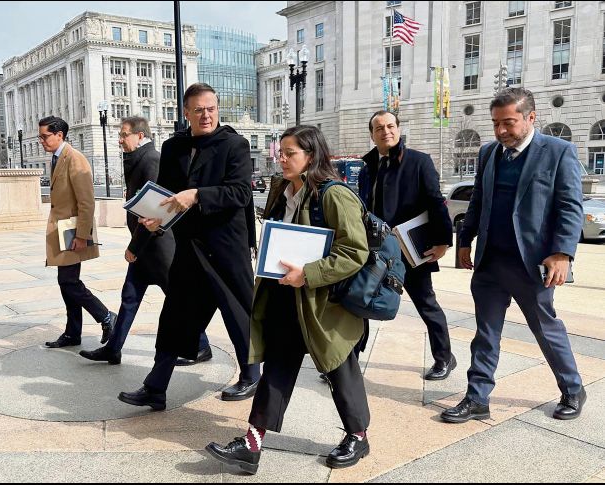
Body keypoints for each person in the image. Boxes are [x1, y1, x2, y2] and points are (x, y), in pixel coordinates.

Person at [206, 125, 372, 474]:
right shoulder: (281, 189)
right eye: (280, 152)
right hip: (285, 295)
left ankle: (358, 435)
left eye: (289, 153)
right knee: (278, 368)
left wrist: (308, 274)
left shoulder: (334, 195)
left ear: (310, 156)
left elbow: (354, 251)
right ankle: (252, 444)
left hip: (323, 304)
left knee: (339, 366)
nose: (280, 158)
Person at [442, 88, 586, 423]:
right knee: (486, 334)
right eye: (496, 123)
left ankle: (573, 389)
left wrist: (563, 252)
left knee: (546, 330)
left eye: (509, 122)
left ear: (531, 117)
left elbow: (570, 206)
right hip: (491, 261)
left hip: (531, 265)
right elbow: (478, 198)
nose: (501, 131)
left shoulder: (559, 152)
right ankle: (477, 398)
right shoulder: (490, 153)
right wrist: (466, 239)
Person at [118, 83, 261, 410]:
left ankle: (251, 374)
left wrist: (196, 194)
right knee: (174, 318)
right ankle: (156, 387)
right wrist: (153, 223)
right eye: (198, 110)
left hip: (226, 248)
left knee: (238, 314)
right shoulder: (174, 147)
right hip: (188, 250)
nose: (206, 115)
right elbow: (163, 195)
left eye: (211, 108)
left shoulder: (234, 145)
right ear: (186, 113)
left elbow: (240, 193)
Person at [78, 116, 212, 365]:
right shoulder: (139, 159)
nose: (119, 140)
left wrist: (134, 247)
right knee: (129, 297)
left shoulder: (151, 159)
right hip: (146, 247)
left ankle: (202, 345)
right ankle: (113, 349)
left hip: (157, 246)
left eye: (123, 134)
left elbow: (153, 209)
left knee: (177, 299)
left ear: (140, 136)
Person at [358, 111, 455, 380]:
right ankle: (350, 359)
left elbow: (436, 202)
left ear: (398, 129)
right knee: (358, 301)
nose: (385, 131)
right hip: (376, 250)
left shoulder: (418, 161)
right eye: (379, 128)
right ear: (372, 134)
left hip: (412, 249)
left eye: (390, 126)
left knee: (426, 303)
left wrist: (443, 241)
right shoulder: (368, 168)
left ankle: (444, 358)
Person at [40, 116, 117, 349]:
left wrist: (82, 235)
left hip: (73, 232)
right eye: (40, 136)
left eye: (45, 136)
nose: (41, 141)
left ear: (59, 135)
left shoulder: (75, 159)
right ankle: (73, 333)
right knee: (66, 282)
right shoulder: (57, 158)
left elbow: (87, 202)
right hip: (63, 230)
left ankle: (106, 316)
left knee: (69, 281)